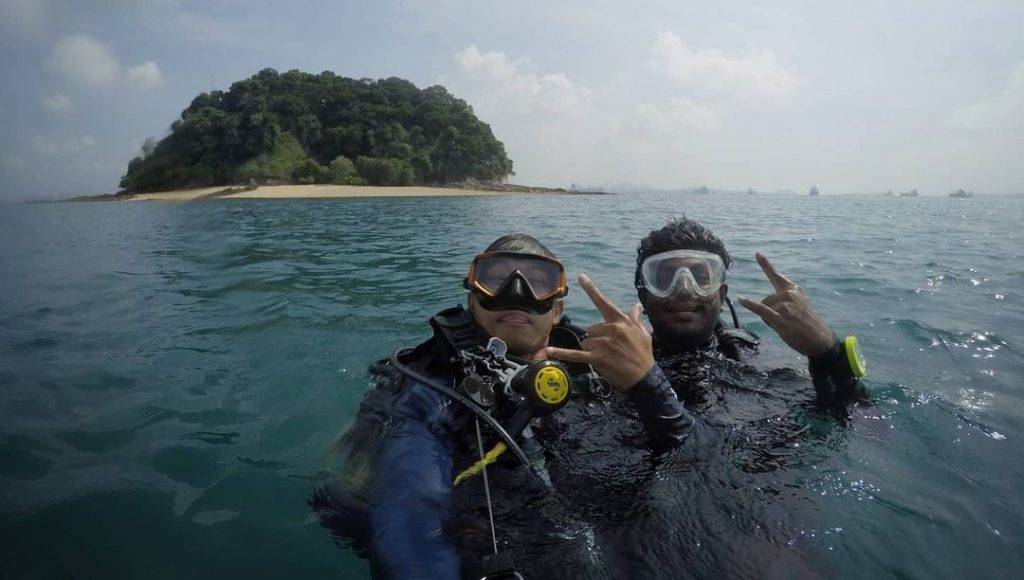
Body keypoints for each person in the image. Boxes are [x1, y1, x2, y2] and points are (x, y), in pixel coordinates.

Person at [312, 234, 691, 580]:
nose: (516, 293)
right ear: (471, 301)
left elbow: (691, 465)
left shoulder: (604, 373)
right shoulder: (431, 389)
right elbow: (410, 522)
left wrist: (649, 384)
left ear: (556, 311)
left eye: (538, 281)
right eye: (496, 278)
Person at [547, 216, 865, 430]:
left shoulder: (754, 358)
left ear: (721, 292)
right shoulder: (607, 368)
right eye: (665, 277)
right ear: (643, 295)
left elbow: (859, 423)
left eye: (701, 277)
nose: (684, 290)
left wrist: (828, 354)